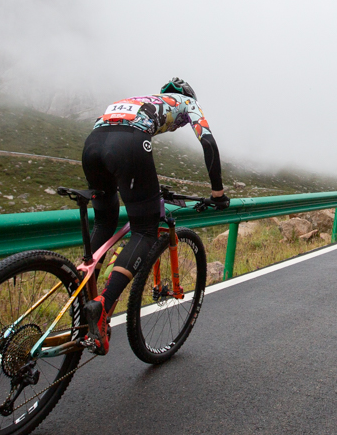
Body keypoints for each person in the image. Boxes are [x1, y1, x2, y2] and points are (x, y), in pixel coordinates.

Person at [80, 78, 228, 355]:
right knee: (146, 230)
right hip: (128, 143)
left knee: (104, 222)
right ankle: (103, 305)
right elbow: (208, 142)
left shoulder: (142, 99)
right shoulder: (187, 103)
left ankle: (82, 305)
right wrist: (217, 192)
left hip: (93, 144)